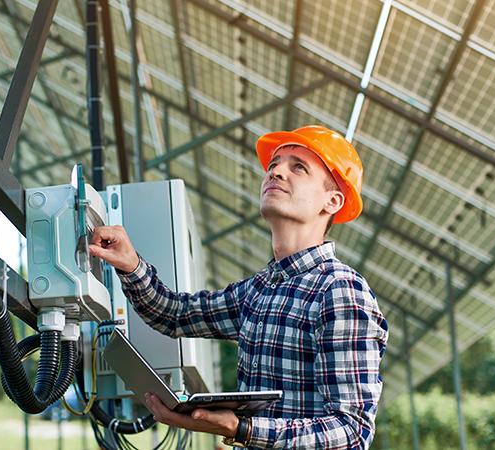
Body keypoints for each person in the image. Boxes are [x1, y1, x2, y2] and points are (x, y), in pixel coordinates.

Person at [90, 125, 388, 448]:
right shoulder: (258, 291)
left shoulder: (341, 291)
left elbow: (353, 434)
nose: (276, 173)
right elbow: (175, 314)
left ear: (332, 201)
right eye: (274, 165)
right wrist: (131, 264)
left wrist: (241, 429)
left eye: (298, 167)